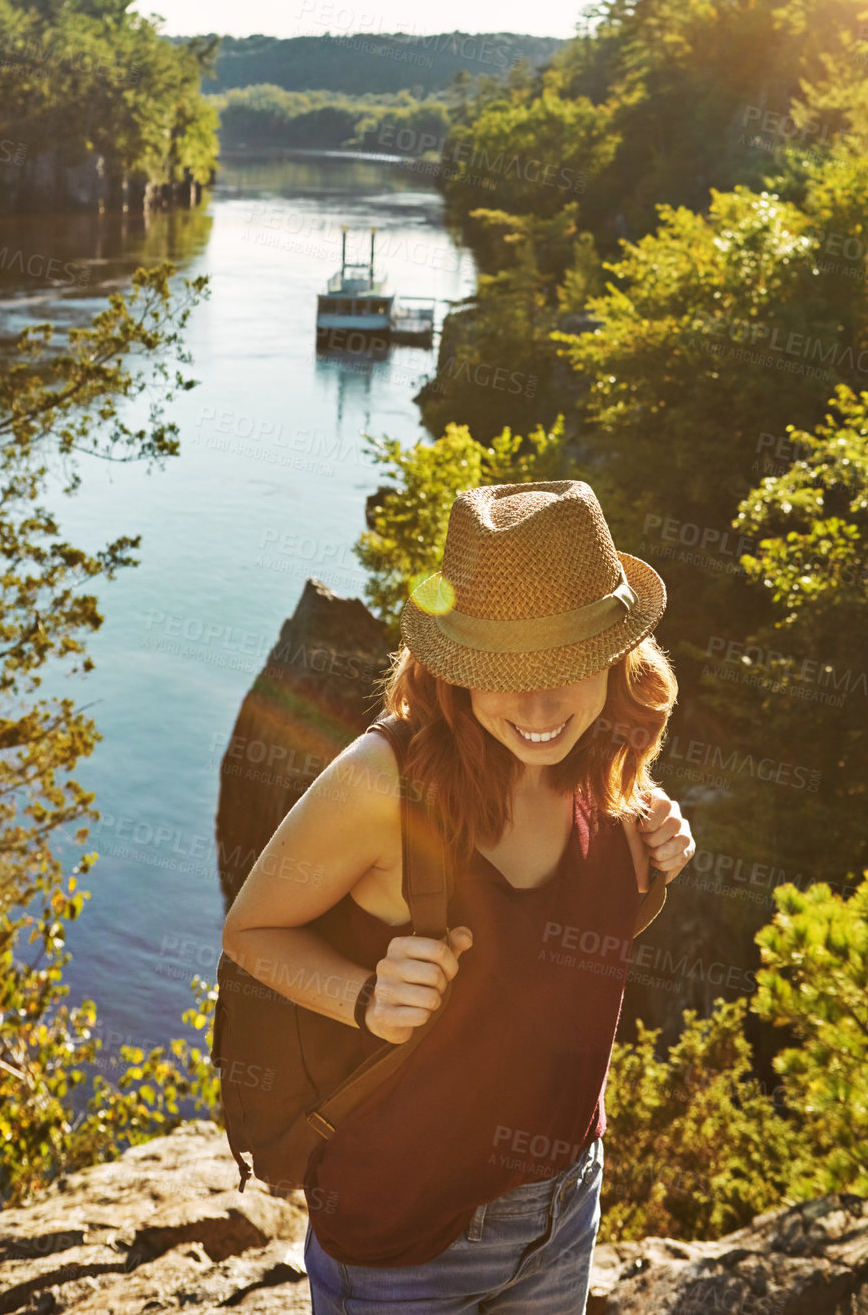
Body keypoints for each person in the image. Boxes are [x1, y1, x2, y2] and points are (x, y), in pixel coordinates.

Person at [222, 478, 696, 1315]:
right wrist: (366, 997)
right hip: (403, 1246)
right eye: (509, 671)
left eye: (571, 665)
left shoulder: (607, 762)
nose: (543, 707)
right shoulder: (382, 783)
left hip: (565, 1206)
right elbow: (251, 931)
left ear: (613, 656)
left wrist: (654, 868)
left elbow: (564, 957)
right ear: (457, 668)